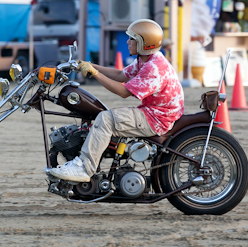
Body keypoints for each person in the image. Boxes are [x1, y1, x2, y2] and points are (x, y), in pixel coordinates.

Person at [48, 19, 185, 182]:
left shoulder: (153, 68)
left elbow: (123, 91)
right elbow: (121, 75)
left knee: (106, 119)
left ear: (143, 43)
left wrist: (95, 74)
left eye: (132, 38)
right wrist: (91, 66)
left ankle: (84, 169)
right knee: (100, 114)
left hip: (156, 119)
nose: (127, 42)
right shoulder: (147, 59)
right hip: (153, 112)